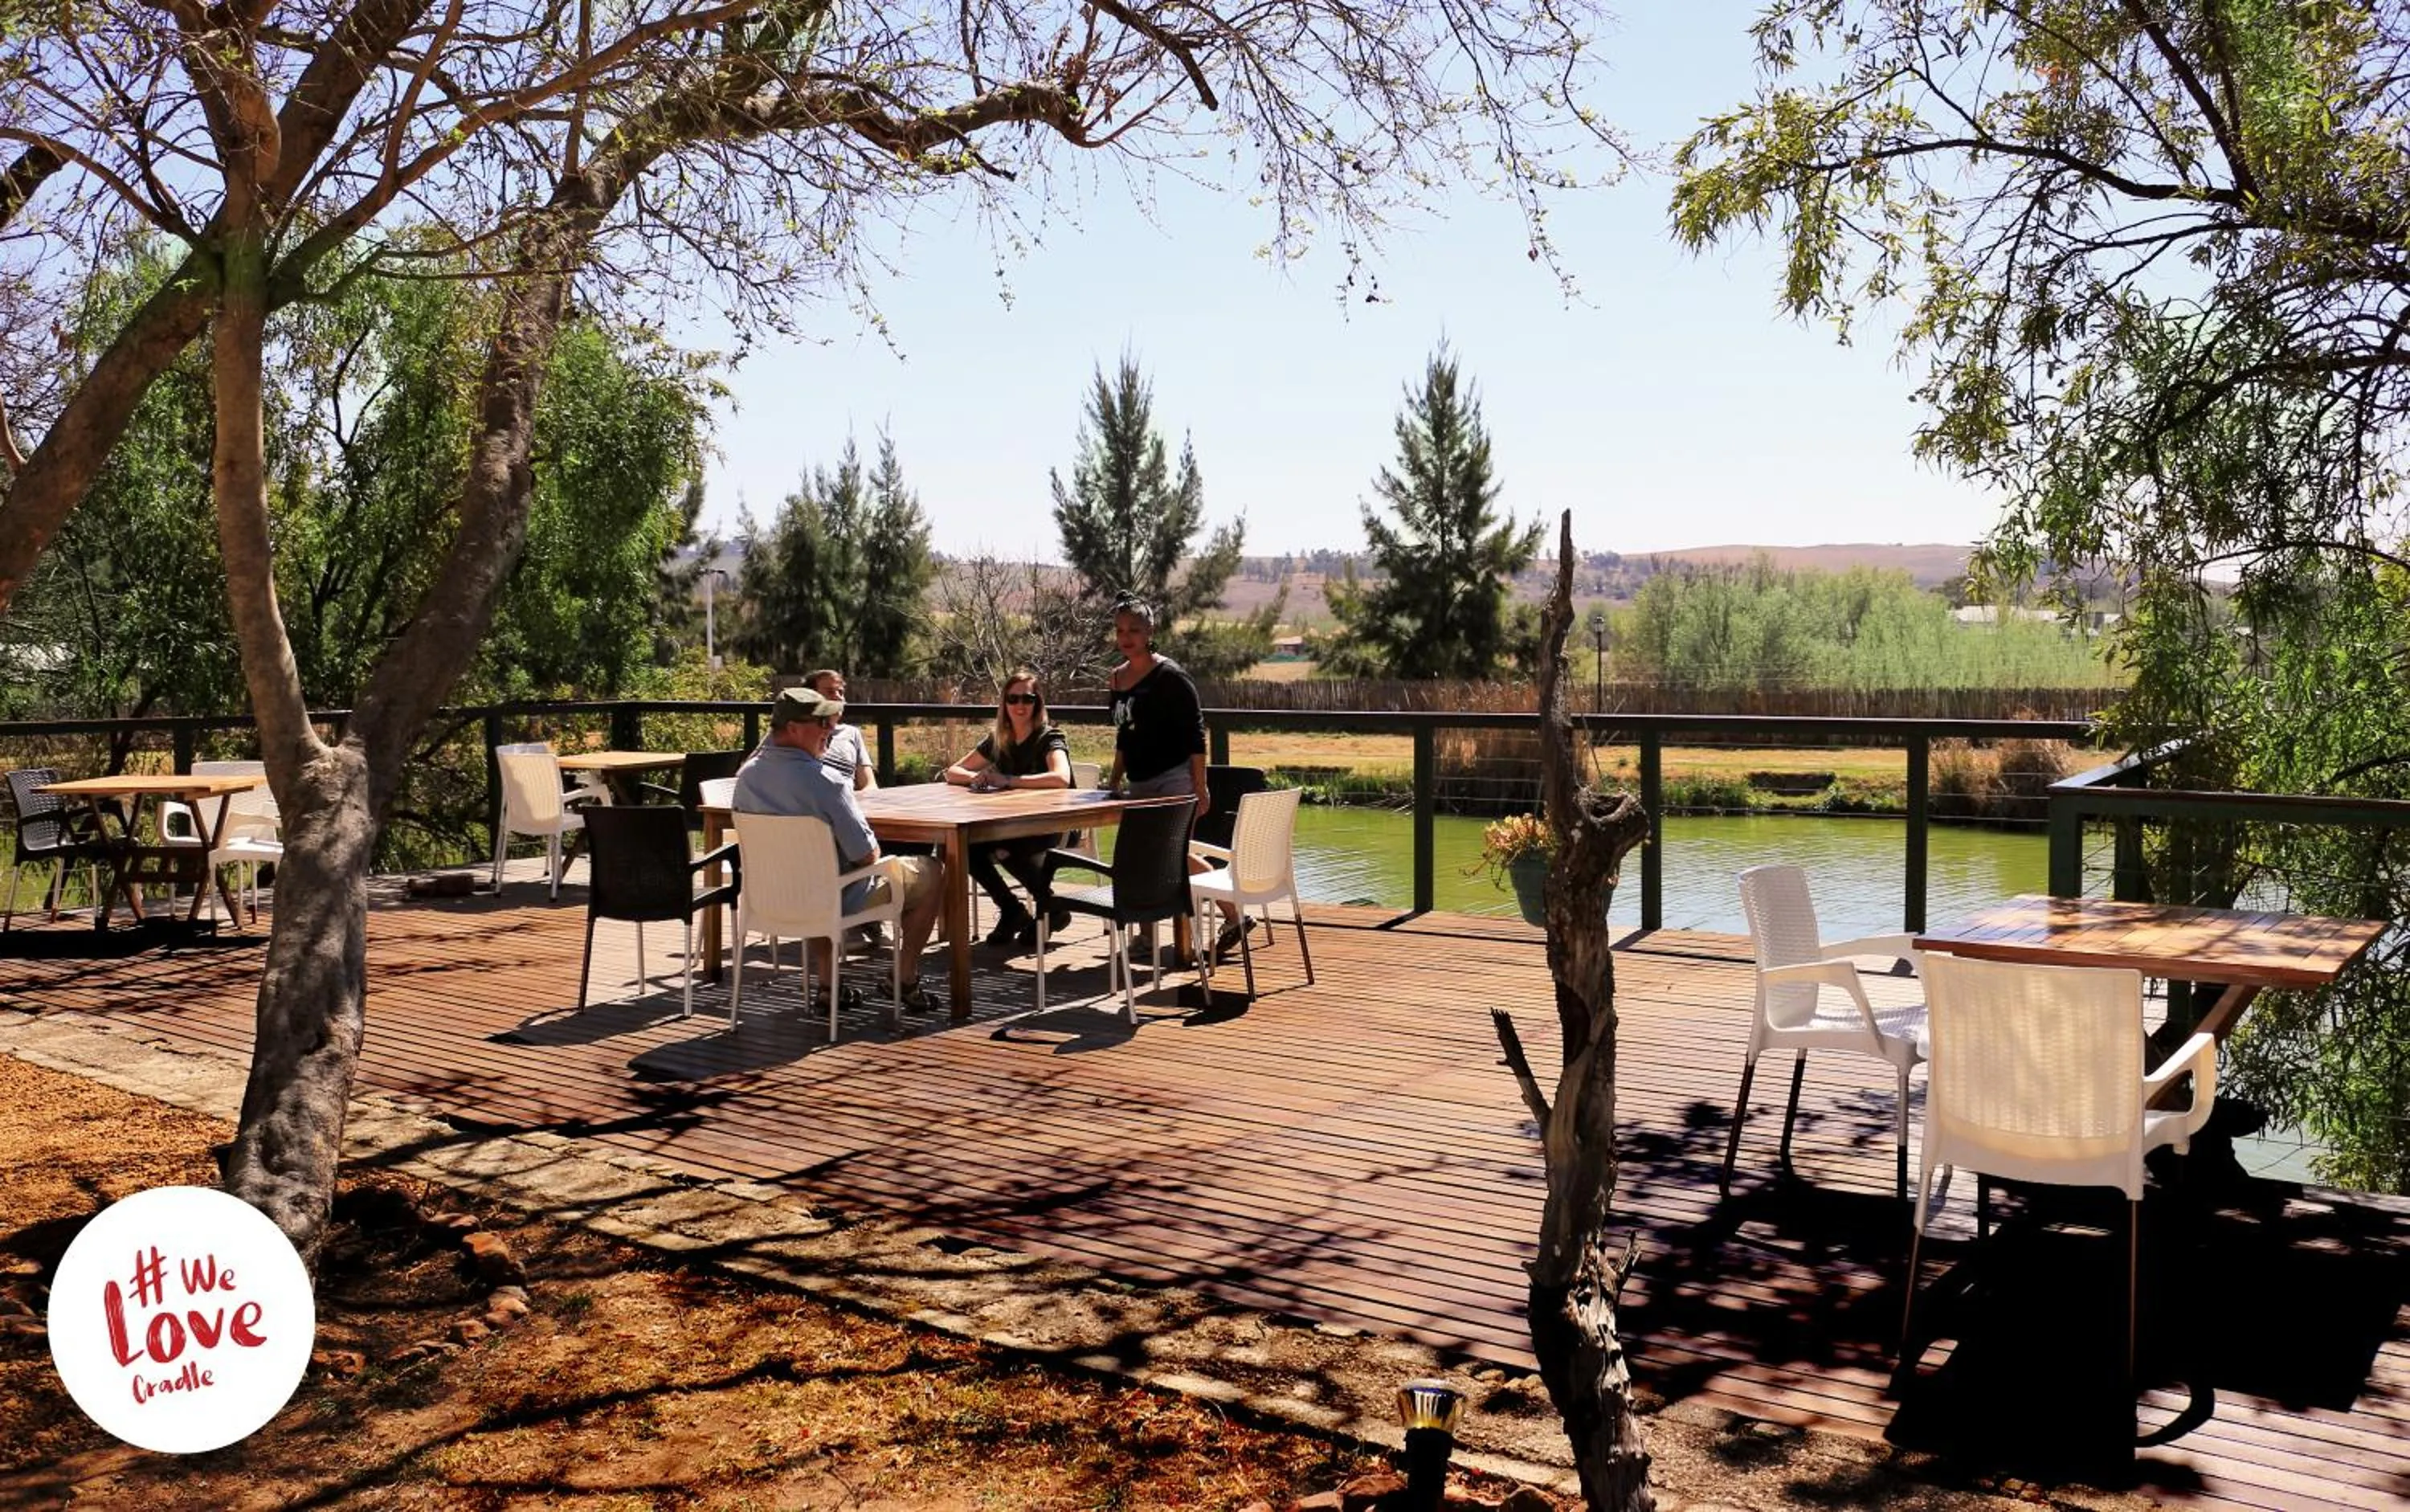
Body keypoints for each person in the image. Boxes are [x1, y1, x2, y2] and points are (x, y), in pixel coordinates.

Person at [732, 686, 943, 1011]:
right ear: (794, 729)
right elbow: (867, 855)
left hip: (769, 900)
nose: (831, 732)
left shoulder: (746, 777)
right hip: (831, 899)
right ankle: (904, 977)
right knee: (931, 871)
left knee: (813, 879)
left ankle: (829, 986)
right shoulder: (826, 781)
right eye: (823, 724)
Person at [1104, 599, 1244, 952]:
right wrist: (1114, 779)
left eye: (1134, 630)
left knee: (1171, 853)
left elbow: (1195, 735)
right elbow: (1124, 733)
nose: (1127, 637)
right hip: (1140, 781)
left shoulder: (1171, 677)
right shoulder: (1118, 678)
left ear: (1151, 632)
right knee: (1141, 855)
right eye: (1121, 630)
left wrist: (1201, 785)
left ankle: (1235, 915)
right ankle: (1148, 937)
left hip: (1174, 778)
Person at [944, 668, 1075, 949]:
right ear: (1004, 703)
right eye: (1013, 699)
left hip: (1050, 825)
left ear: (1037, 703)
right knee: (963, 846)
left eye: (1027, 699)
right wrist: (977, 778)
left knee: (1002, 848)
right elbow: (952, 772)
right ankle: (1014, 909)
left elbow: (1061, 778)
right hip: (1008, 825)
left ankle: (1049, 906)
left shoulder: (1049, 737)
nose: (1019, 706)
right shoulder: (999, 740)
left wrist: (1008, 780)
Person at [803, 668, 876, 791]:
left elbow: (869, 784)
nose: (838, 697)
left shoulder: (852, 733)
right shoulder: (797, 732)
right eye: (830, 692)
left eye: (841, 693)